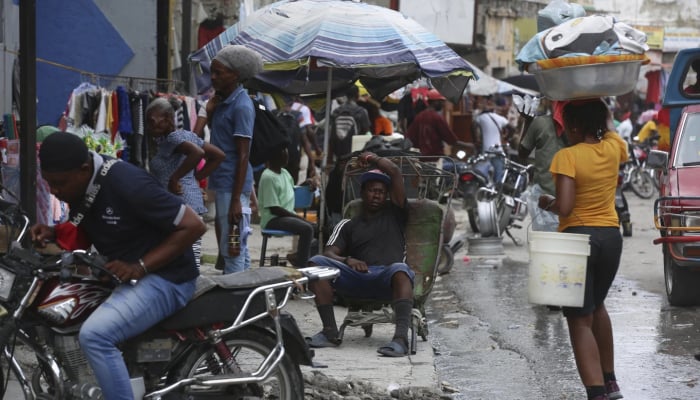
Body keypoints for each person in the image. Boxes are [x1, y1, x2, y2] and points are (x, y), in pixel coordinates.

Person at [30, 132, 206, 400]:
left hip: (168, 278)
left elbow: (194, 225)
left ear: (84, 169)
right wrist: (54, 232)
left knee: (95, 336)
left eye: (59, 183)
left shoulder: (129, 183)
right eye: (49, 184)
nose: (54, 191)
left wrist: (140, 266)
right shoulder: (85, 186)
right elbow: (86, 222)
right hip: (127, 276)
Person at [537, 100, 627, 400]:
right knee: (598, 305)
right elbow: (611, 124)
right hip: (611, 238)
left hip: (577, 240)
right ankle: (610, 380)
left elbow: (565, 206)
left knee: (579, 318)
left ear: (573, 126)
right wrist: (599, 103)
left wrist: (547, 202)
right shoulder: (614, 146)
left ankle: (596, 392)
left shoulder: (567, 157)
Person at [305, 152, 415, 357]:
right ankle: (330, 332)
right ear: (363, 192)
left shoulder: (396, 213)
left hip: (387, 278)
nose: (377, 195)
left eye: (381, 192)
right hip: (357, 277)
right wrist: (348, 260)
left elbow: (395, 172)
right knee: (317, 264)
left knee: (401, 270)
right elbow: (329, 253)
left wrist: (371, 158)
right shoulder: (348, 224)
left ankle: (400, 339)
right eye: (372, 191)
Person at [146, 97, 225, 268]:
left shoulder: (174, 138)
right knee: (189, 251)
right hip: (188, 200)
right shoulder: (185, 135)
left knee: (187, 253)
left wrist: (176, 178)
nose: (150, 127)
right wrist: (193, 179)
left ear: (167, 119)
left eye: (153, 121)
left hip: (181, 202)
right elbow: (218, 156)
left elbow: (197, 153)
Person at [207, 44, 263, 274]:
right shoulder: (223, 101)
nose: (213, 77)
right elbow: (218, 138)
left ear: (235, 75)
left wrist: (236, 201)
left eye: (219, 72)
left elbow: (243, 155)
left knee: (232, 249)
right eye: (212, 71)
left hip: (232, 186)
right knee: (237, 245)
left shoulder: (241, 106)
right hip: (224, 182)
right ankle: (249, 296)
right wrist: (210, 111)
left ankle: (235, 301)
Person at [258, 144, 316, 267]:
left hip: (286, 217)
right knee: (307, 228)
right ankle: (302, 268)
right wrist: (299, 218)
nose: (287, 155)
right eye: (283, 152)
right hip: (273, 219)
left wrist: (306, 183)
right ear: (275, 156)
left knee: (318, 228)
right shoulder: (268, 177)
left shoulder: (284, 173)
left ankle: (299, 256)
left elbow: (291, 190)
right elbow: (275, 209)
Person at [518, 99, 567, 232]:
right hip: (568, 198)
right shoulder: (578, 125)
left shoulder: (540, 123)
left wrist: (528, 121)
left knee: (547, 245)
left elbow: (522, 152)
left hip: (547, 198)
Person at [405, 89, 471, 159]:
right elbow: (451, 140)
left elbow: (409, 137)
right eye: (441, 101)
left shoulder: (419, 117)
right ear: (435, 102)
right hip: (436, 158)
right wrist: (468, 146)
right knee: (459, 167)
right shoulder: (437, 117)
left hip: (421, 159)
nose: (443, 104)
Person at [328, 85, 371, 163]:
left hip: (338, 153)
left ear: (346, 95)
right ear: (357, 95)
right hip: (354, 152)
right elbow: (366, 132)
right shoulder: (361, 111)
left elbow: (331, 135)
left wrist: (329, 158)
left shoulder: (336, 111)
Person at [475, 96, 509, 183]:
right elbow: (512, 128)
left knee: (480, 175)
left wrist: (476, 139)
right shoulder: (500, 118)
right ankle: (496, 192)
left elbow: (473, 126)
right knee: (498, 177)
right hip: (497, 150)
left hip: (485, 151)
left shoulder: (480, 118)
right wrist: (507, 137)